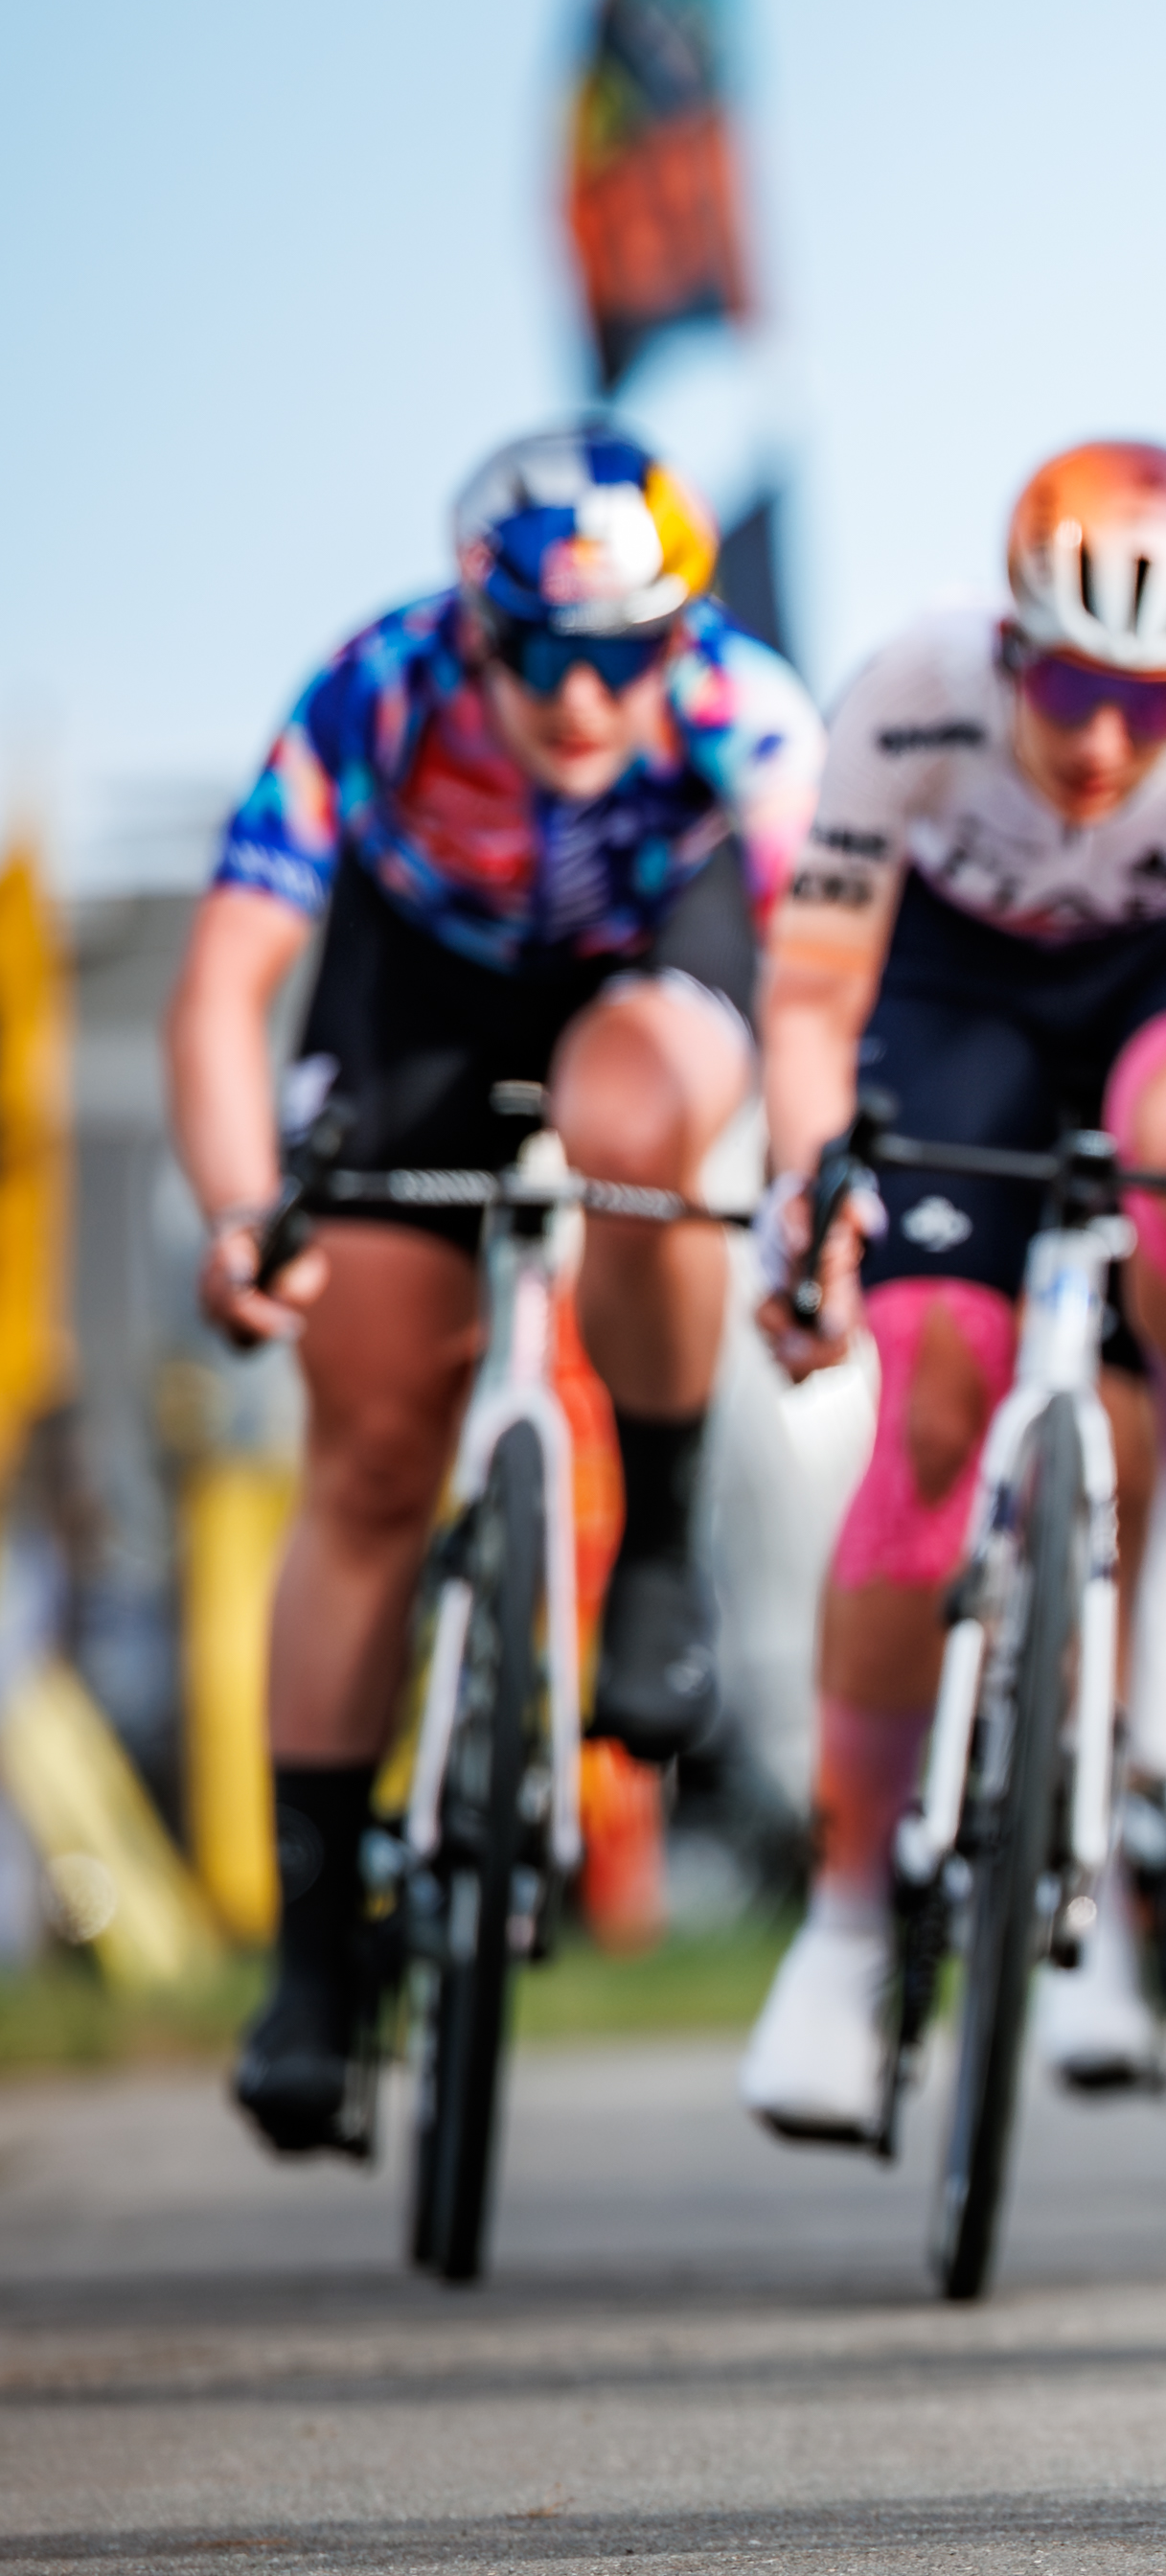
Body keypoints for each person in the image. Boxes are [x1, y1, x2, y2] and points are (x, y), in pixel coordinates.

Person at [733, 442, 1166, 2138]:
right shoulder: (906, 691)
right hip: (953, 1006)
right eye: (1068, 687)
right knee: (928, 1424)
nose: (1104, 744)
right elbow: (812, 1000)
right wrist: (803, 1190)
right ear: (1009, 638)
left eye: (1152, 702)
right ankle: (844, 1921)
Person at [164, 422, 823, 2153]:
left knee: (635, 1111)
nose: (590, 699)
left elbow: (822, 984)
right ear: (477, 624)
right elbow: (227, 985)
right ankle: (314, 1954)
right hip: (424, 992)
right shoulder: (376, 690)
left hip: (641, 973)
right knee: (373, 1451)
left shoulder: (743, 714)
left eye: (630, 655)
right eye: (548, 655)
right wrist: (246, 1211)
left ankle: (661, 1544)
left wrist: (818, 1182)